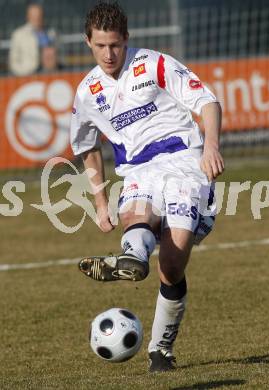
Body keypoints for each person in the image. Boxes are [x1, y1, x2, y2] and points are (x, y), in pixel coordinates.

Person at [70, 1, 224, 372]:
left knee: (172, 262)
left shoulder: (153, 63)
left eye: (116, 45)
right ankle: (133, 262)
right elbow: (87, 146)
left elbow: (207, 102)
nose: (109, 54)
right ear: (88, 42)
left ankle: (160, 343)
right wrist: (100, 202)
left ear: (127, 39)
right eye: (101, 46)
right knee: (138, 219)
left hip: (185, 162)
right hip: (138, 170)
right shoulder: (87, 93)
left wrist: (212, 146)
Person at [8, 3, 56, 76]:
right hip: (27, 76)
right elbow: (13, 62)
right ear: (28, 17)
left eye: (39, 16)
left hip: (49, 75)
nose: (37, 19)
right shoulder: (19, 35)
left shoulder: (51, 33)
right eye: (34, 16)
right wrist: (24, 74)